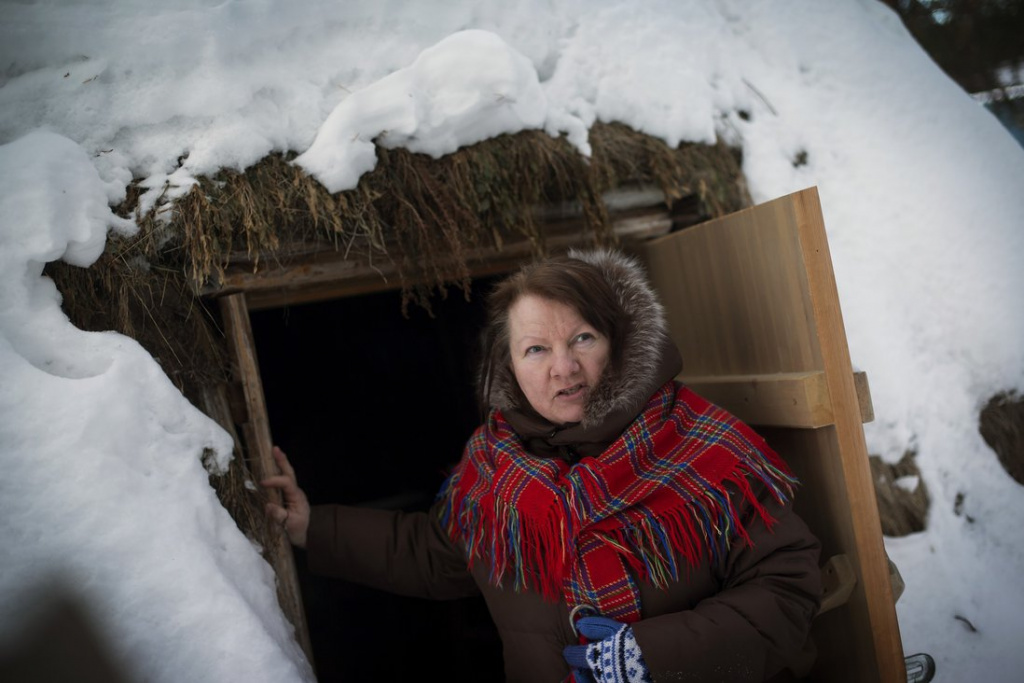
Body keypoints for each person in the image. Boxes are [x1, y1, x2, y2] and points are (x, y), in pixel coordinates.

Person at [263, 248, 822, 683]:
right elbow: (435, 554)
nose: (564, 367)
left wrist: (650, 658)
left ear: (620, 342)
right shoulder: (491, 469)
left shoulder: (704, 450)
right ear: (508, 366)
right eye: (536, 349)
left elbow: (786, 588)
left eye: (583, 337)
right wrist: (314, 527)